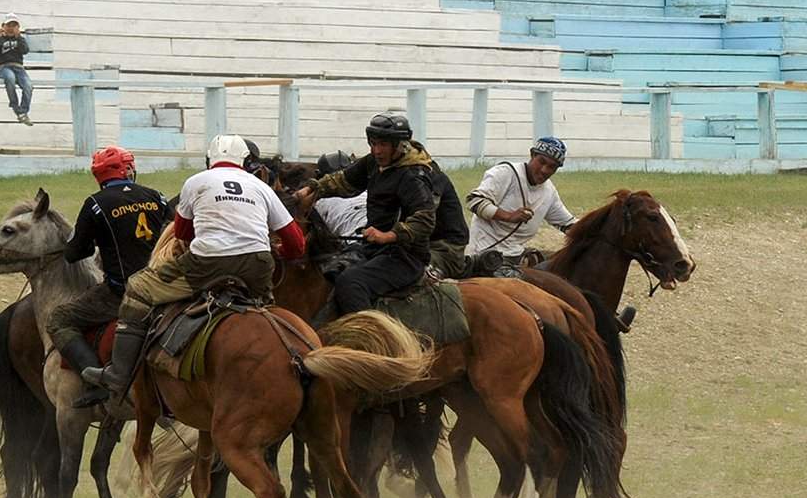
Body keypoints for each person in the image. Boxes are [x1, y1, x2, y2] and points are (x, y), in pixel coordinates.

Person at [78, 134, 305, 410]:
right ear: (245, 162)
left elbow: (183, 232)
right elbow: (296, 243)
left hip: (207, 265)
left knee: (138, 287)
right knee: (263, 308)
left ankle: (118, 373)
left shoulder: (196, 182)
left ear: (210, 161)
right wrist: (280, 253)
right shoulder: (261, 187)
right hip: (257, 266)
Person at [304, 112, 463, 315]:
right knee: (332, 266)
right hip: (383, 248)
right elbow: (343, 180)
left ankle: (371, 338)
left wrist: (387, 235)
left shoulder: (414, 176)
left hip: (418, 252)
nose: (376, 151)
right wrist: (312, 190)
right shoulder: (375, 162)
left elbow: (424, 221)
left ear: (399, 145)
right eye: (373, 143)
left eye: (383, 145)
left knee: (351, 283)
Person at [54, 146, 173, 388]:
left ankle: (95, 381)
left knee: (58, 320)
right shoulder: (156, 196)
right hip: (165, 287)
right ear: (126, 170)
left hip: (122, 293)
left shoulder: (95, 204)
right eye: (131, 166)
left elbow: (75, 253)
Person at [463, 137, 575, 278]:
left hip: (515, 256)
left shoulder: (548, 191)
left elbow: (567, 224)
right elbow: (474, 201)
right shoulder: (506, 173)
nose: (544, 170)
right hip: (483, 256)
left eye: (552, 167)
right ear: (532, 155)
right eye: (541, 161)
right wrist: (508, 216)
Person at [0, 17, 33, 123]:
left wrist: (18, 37)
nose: (11, 28)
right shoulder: (0, 39)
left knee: (28, 85)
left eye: (14, 26)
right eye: (8, 25)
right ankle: (15, 106)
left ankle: (23, 111)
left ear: (18, 27)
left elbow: (25, 50)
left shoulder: (20, 39)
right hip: (4, 66)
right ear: (3, 26)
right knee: (10, 78)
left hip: (18, 67)